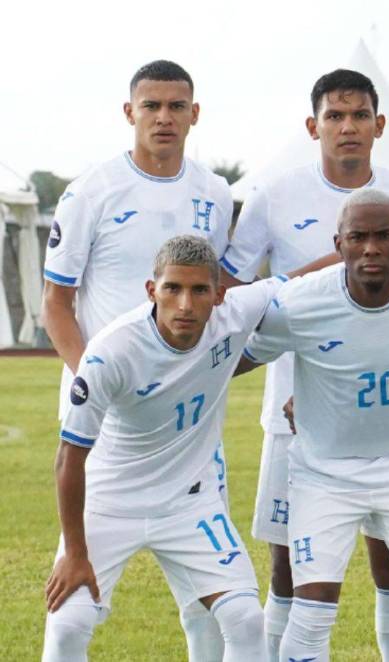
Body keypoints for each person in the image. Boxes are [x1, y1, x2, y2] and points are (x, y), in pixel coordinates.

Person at [216, 68, 389, 661]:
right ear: (313, 125)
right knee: (291, 561)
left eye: (360, 115)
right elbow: (236, 295)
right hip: (294, 408)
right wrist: (331, 265)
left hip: (385, 413)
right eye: (335, 117)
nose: (348, 127)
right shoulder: (274, 194)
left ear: (379, 125)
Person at [41, 59, 234, 660]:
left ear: (194, 114)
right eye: (151, 106)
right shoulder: (91, 191)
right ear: (130, 113)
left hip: (190, 422)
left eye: (177, 106)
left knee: (211, 600)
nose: (164, 117)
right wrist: (97, 383)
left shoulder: (216, 194)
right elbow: (56, 303)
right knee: (73, 603)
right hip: (107, 420)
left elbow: (216, 295)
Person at [241, 189, 389, 661]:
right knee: (310, 618)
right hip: (325, 475)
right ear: (338, 242)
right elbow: (237, 357)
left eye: (384, 236)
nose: (370, 248)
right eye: (358, 237)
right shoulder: (300, 302)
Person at [42, 236, 285, 661]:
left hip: (188, 503)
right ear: (152, 290)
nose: (186, 304)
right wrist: (75, 553)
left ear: (220, 295)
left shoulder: (236, 312)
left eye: (199, 290)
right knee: (68, 625)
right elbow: (69, 459)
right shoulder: (110, 353)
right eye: (172, 288)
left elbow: (302, 282)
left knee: (246, 618)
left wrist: (368, 257)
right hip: (109, 502)